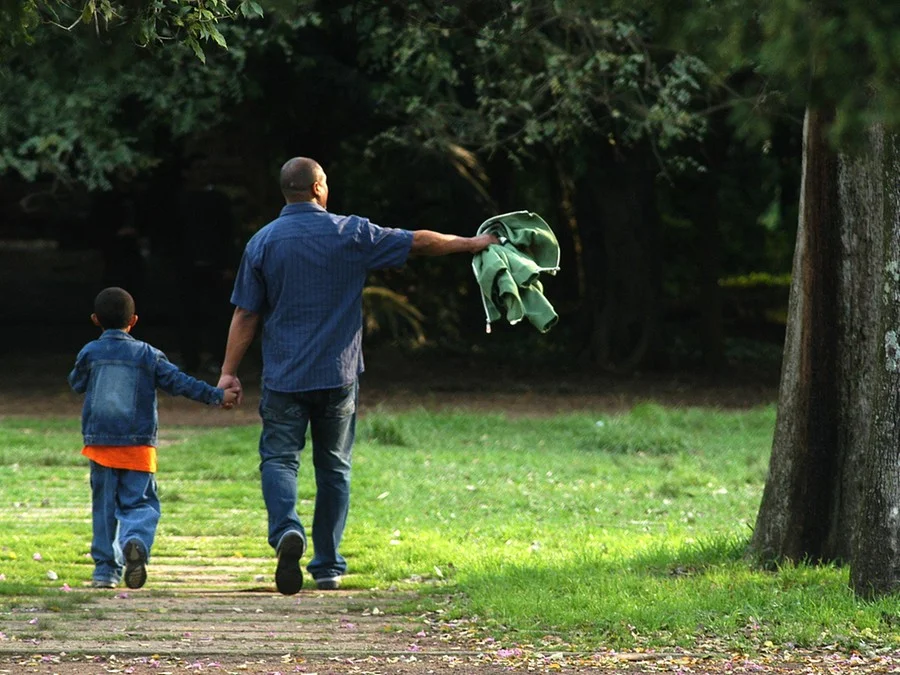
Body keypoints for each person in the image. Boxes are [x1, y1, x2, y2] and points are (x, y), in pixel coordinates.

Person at [216, 157, 497, 594]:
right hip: (337, 374)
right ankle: (327, 565)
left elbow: (246, 314)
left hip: (285, 377)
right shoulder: (350, 232)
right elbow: (419, 242)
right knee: (334, 467)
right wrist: (470, 243)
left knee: (279, 460)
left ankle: (286, 532)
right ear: (317, 188)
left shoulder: (263, 243)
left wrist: (228, 374)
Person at [68, 287, 239, 589]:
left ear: (95, 319)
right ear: (133, 320)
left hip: (100, 445)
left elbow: (77, 383)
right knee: (141, 503)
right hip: (138, 446)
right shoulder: (147, 354)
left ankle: (104, 572)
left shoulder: (90, 353)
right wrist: (217, 395)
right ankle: (135, 541)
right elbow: (180, 383)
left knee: (104, 508)